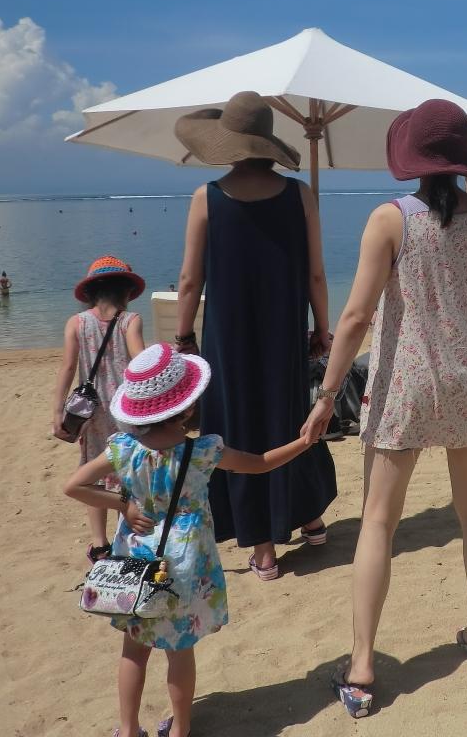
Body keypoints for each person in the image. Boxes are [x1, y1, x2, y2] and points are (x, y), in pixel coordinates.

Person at [303, 98, 467, 718]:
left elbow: (356, 316)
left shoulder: (390, 219)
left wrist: (325, 395)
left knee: (378, 523)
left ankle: (363, 664)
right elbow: (466, 226)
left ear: (411, 158)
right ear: (464, 158)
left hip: (409, 382)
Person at [64, 343, 324, 737]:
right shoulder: (204, 451)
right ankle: (181, 729)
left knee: (134, 650)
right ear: (186, 409)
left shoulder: (124, 448)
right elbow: (260, 464)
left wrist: (124, 505)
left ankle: (129, 729)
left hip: (136, 562)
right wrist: (304, 443)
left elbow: (74, 486)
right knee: (179, 651)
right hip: (184, 565)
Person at [173, 91, 337, 580]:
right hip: (284, 330)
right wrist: (321, 327)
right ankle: (310, 519)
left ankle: (263, 551)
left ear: (227, 144)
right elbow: (316, 274)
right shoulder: (299, 195)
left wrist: (183, 337)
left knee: (237, 427)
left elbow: (190, 280)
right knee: (289, 419)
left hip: (227, 338)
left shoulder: (206, 197)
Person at [52, 256, 146, 563]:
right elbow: (139, 360)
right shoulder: (130, 321)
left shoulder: (76, 322)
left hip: (91, 413)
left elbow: (68, 368)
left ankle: (99, 544)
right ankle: (124, 535)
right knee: (126, 471)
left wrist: (57, 411)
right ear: (126, 291)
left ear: (91, 293)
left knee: (92, 474)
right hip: (125, 410)